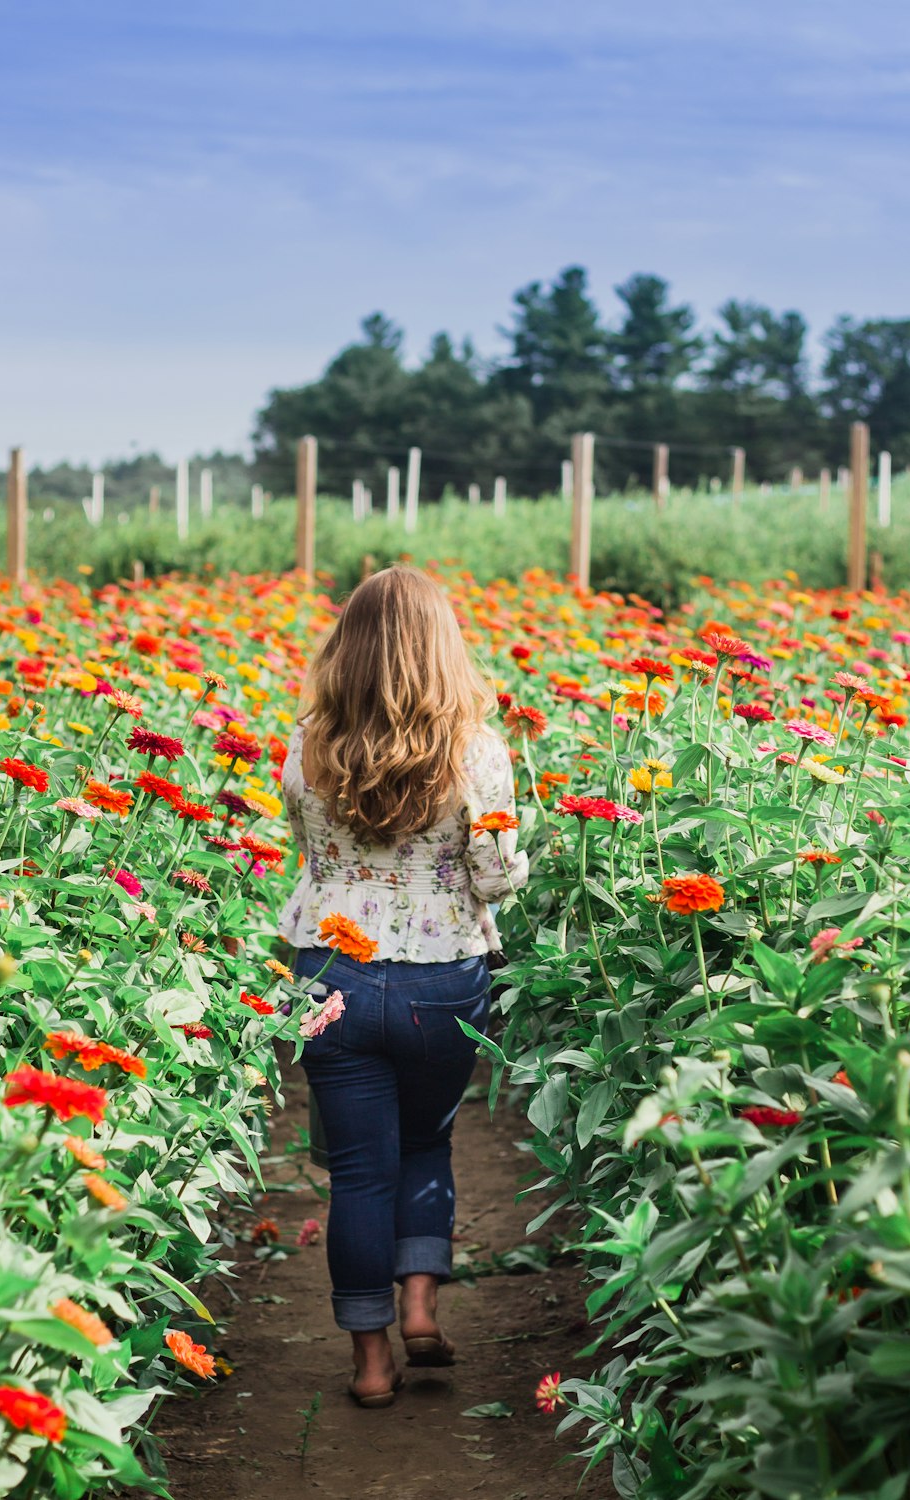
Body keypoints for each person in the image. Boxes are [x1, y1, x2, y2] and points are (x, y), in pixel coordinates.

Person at [278, 564, 529, 1408]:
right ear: (441, 649)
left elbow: (312, 856)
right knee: (426, 1142)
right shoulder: (478, 752)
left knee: (358, 1174)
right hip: (441, 979)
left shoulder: (308, 744)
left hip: (330, 975)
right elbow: (493, 879)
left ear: (348, 647)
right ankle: (420, 1307)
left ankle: (371, 1363)